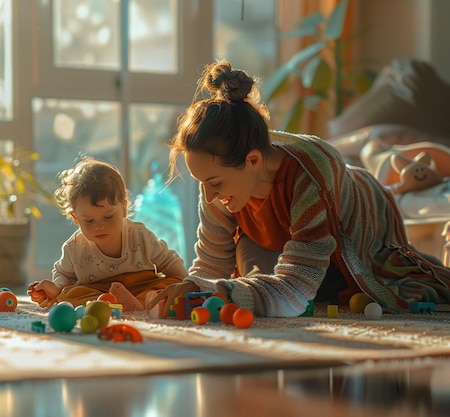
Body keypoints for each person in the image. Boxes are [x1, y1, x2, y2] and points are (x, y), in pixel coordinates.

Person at [147, 60, 450, 318]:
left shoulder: (310, 177)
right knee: (256, 288)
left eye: (214, 184)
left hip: (355, 218)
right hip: (281, 240)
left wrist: (216, 290)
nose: (210, 196)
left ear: (253, 160)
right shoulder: (216, 179)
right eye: (203, 184)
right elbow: (211, 267)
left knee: (347, 291)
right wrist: (194, 287)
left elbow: (295, 290)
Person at [32, 157, 187, 309]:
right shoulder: (74, 248)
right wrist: (58, 289)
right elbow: (63, 273)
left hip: (142, 287)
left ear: (124, 208)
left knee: (169, 285)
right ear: (76, 218)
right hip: (98, 293)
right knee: (69, 295)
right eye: (89, 221)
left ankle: (136, 302)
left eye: (108, 217)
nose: (99, 226)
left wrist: (184, 282)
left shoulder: (139, 234)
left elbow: (168, 261)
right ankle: (118, 303)